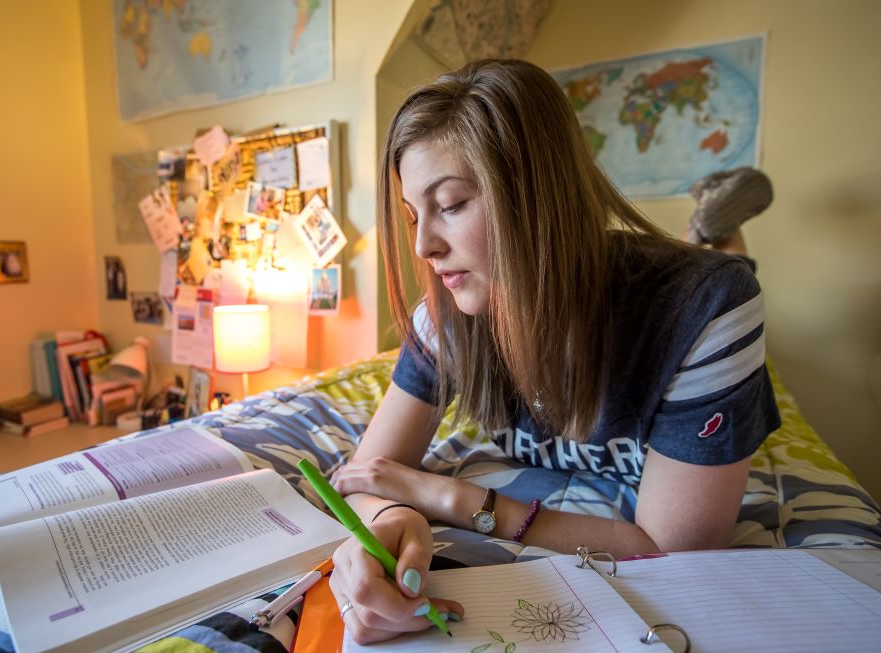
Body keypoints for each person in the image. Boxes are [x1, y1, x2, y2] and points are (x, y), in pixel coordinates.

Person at [327, 59, 780, 644]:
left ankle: (713, 226)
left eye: (454, 203)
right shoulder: (446, 315)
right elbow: (366, 477)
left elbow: (674, 549)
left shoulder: (708, 306)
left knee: (727, 267)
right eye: (415, 215)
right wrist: (394, 520)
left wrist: (451, 498)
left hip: (690, 283)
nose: (424, 246)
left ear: (537, 193)